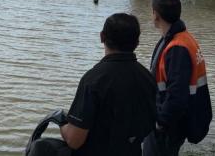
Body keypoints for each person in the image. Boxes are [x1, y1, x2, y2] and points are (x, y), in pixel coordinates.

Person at [60, 13, 157, 156]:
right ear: (137, 43)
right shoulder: (148, 78)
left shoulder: (94, 79)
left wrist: (62, 124)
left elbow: (75, 140)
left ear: (102, 37)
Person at [143, 0, 212, 156]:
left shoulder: (177, 48)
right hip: (173, 121)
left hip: (168, 127)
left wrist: (160, 123)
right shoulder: (183, 38)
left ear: (156, 15)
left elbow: (177, 94)